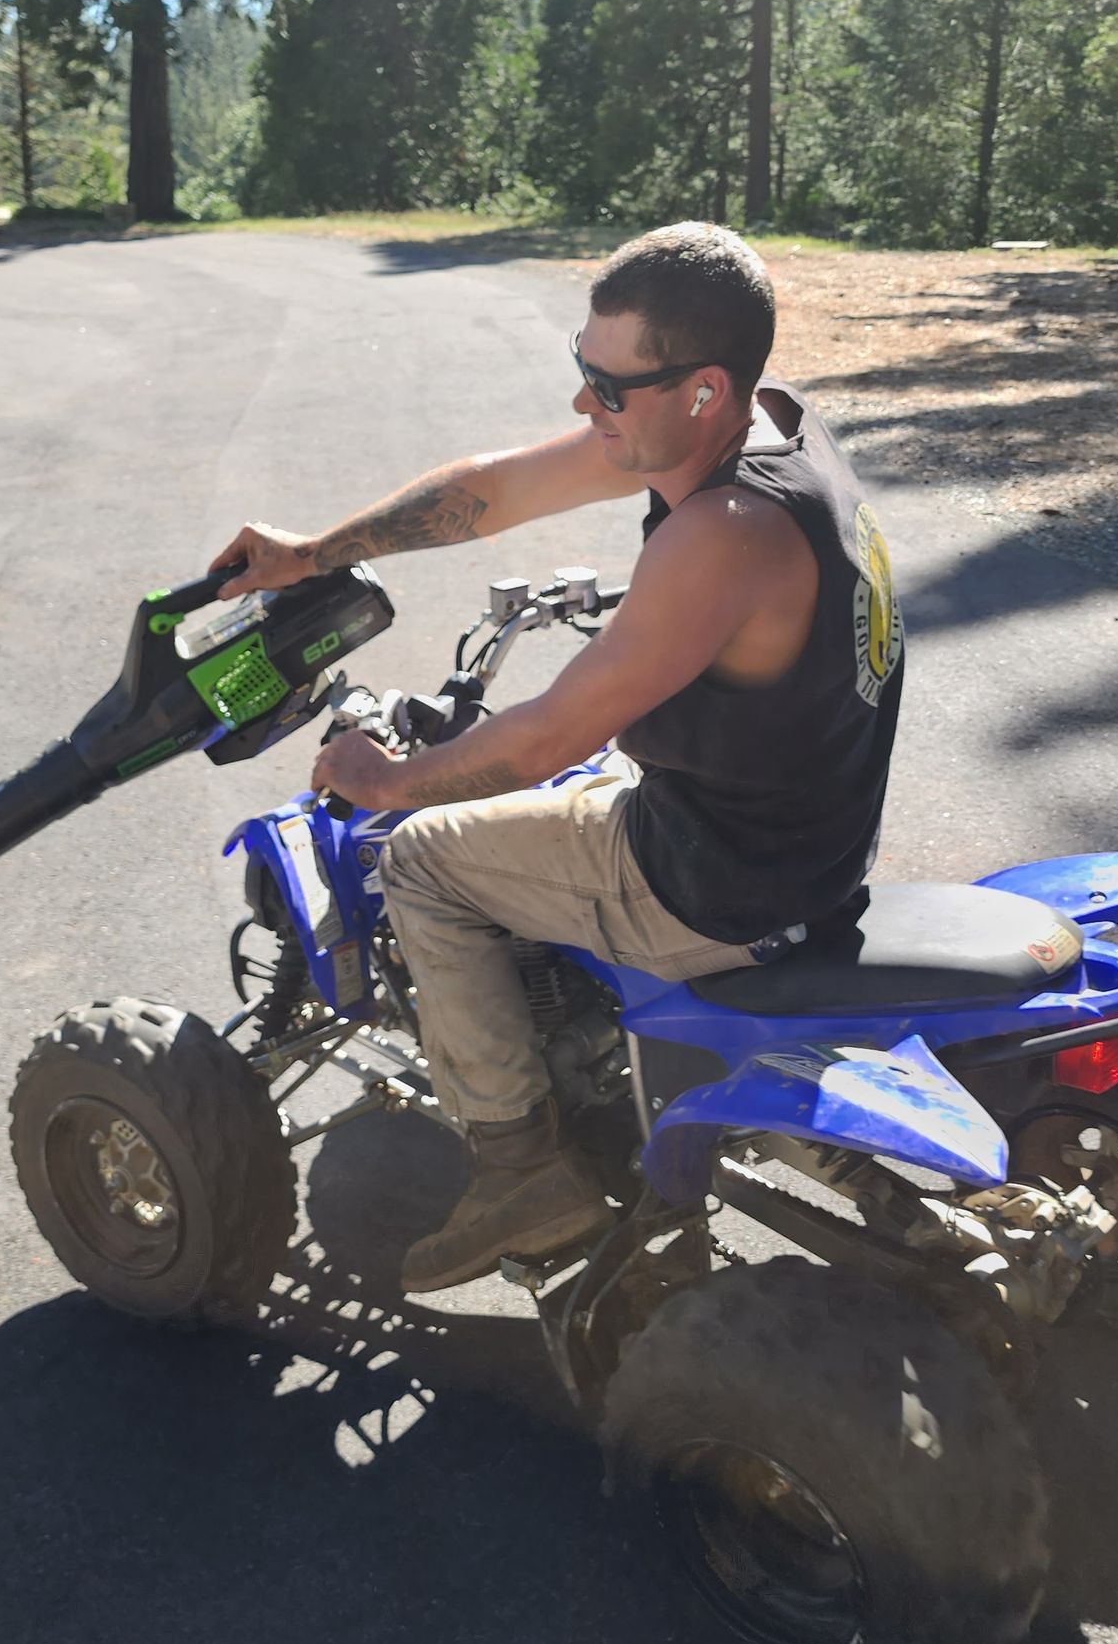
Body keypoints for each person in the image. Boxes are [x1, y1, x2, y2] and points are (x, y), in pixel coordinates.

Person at [210, 222, 904, 1293]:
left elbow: (545, 739)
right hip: (800, 826)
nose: (586, 404)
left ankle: (520, 1166)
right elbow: (495, 488)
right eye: (583, 372)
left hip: (721, 875)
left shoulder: (722, 533)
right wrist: (317, 549)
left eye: (607, 386)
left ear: (703, 388)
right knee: (567, 793)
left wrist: (382, 780)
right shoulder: (765, 432)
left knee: (424, 858)